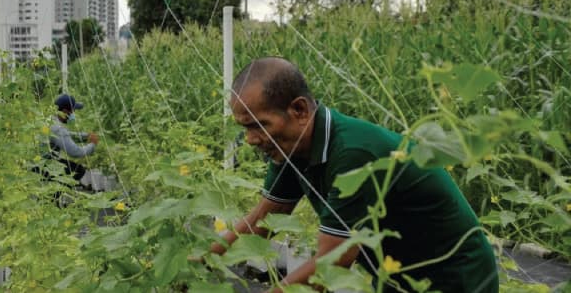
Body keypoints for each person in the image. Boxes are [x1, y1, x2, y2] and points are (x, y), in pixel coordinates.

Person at [212, 57, 497, 293]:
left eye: (259, 125)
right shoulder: (291, 148)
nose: (250, 139)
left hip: (454, 280)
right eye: (245, 128)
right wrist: (201, 261)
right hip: (397, 278)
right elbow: (263, 219)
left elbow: (332, 264)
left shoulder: (352, 154)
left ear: (298, 110)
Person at [43, 94, 99, 184]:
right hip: (43, 165)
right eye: (73, 111)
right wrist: (92, 145)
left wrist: (86, 136)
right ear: (65, 111)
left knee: (68, 167)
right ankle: (54, 196)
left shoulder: (50, 121)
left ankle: (51, 193)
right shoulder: (57, 128)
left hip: (40, 162)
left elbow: (66, 135)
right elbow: (75, 152)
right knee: (77, 170)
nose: (73, 114)